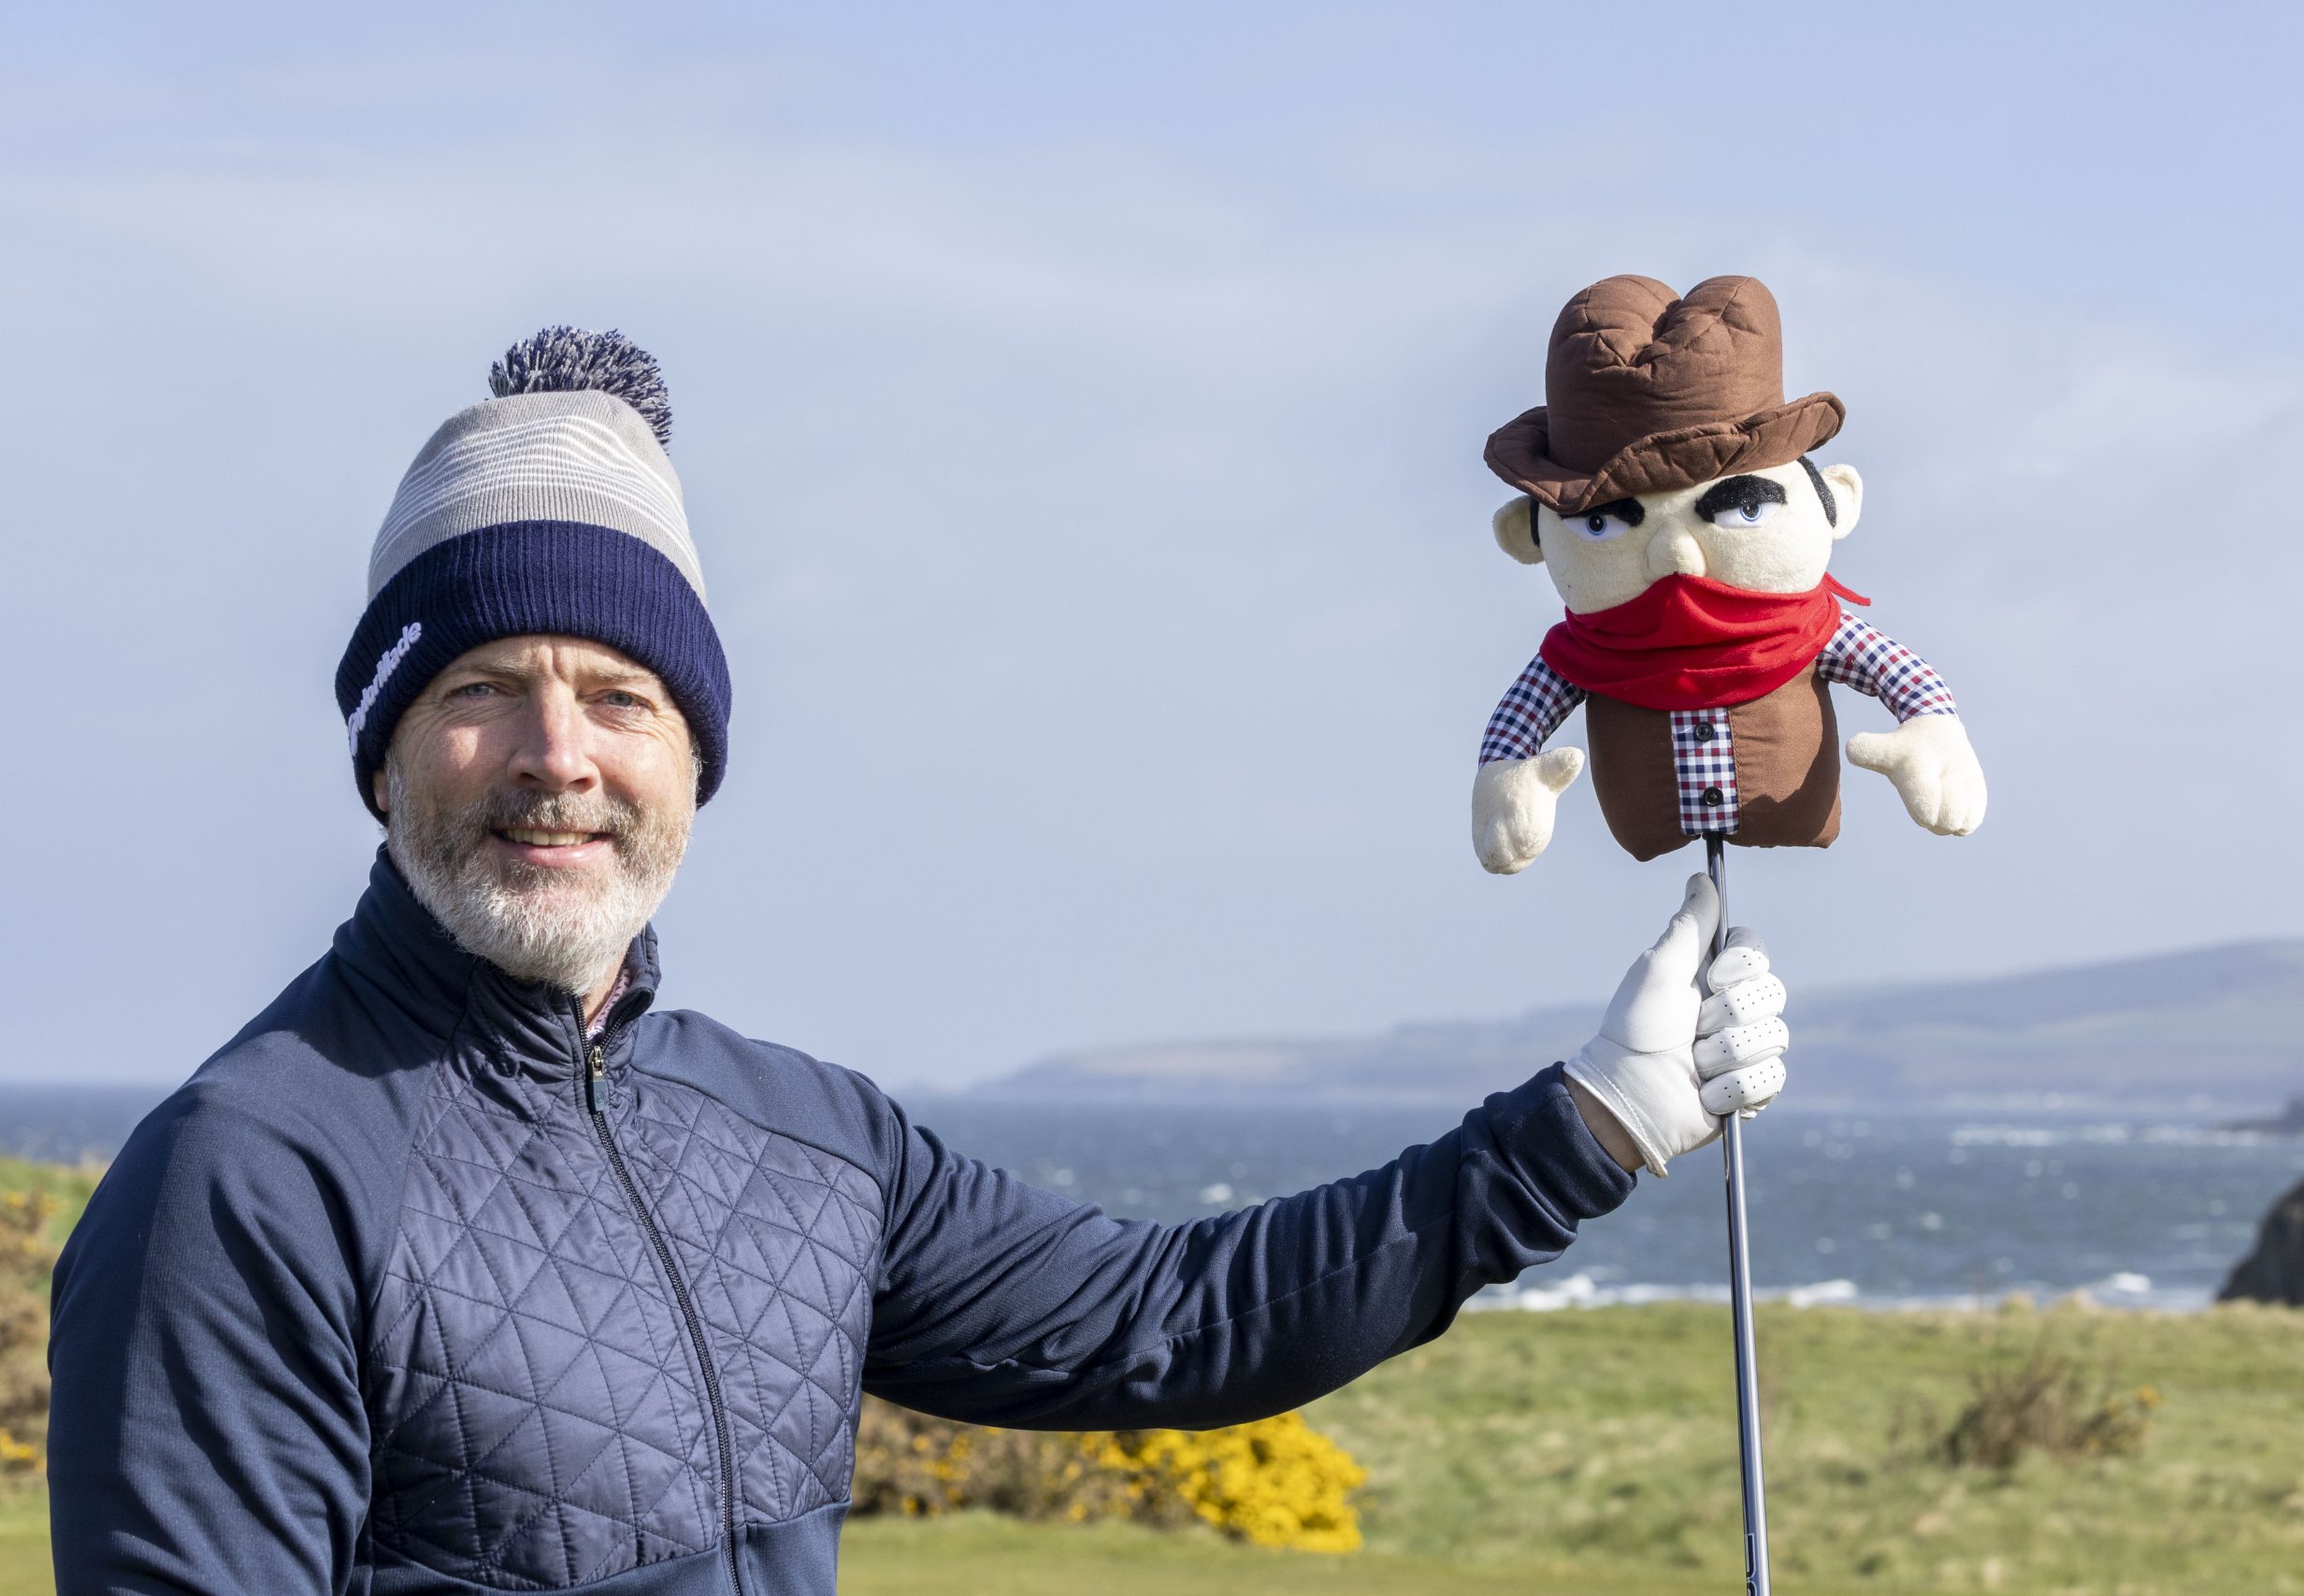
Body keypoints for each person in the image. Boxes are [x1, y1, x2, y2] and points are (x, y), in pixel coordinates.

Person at [47, 330, 1793, 1596]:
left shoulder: (804, 1138)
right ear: (383, 753)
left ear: (693, 759)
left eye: (621, 696)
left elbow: (1164, 1324)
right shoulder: (249, 1178)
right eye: (481, 688)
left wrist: (1587, 1124)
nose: (557, 755)